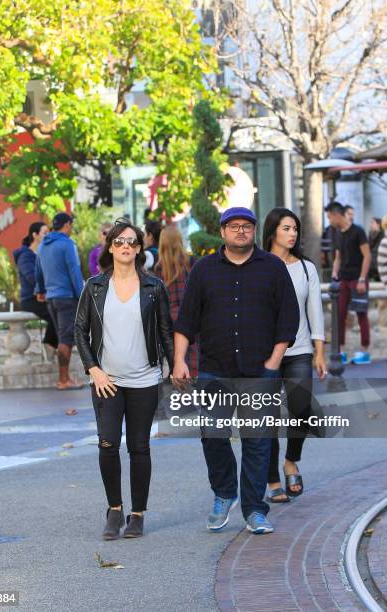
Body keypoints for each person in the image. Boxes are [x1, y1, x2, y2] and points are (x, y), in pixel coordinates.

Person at [173, 207, 300, 535]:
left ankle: (255, 510)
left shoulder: (272, 268)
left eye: (246, 226)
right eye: (234, 226)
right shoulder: (203, 270)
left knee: (257, 441)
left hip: (260, 370)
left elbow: (288, 318)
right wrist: (179, 360)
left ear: (254, 231)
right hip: (215, 370)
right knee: (212, 435)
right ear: (223, 231)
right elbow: (186, 320)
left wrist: (273, 362)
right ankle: (224, 492)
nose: (241, 231)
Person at [75, 219, 174, 540]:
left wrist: (175, 365)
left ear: (140, 248)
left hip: (144, 379)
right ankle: (114, 509)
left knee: (139, 446)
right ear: (111, 247)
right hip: (107, 380)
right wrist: (94, 369)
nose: (126, 247)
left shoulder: (154, 287)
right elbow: (79, 330)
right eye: (119, 242)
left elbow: (164, 331)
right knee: (107, 443)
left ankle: (138, 514)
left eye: (131, 242)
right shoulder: (94, 287)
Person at [262, 208, 327, 503]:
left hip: (300, 350)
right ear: (272, 231)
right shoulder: (257, 265)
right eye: (286, 228)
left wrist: (320, 352)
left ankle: (291, 460)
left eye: (295, 229)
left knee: (300, 408)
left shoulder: (306, 268)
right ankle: (272, 477)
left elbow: (315, 311)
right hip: (265, 354)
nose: (292, 234)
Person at [35, 212, 84, 390]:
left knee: (63, 338)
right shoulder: (68, 244)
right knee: (66, 339)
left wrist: (40, 290)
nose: (71, 228)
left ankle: (64, 378)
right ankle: (64, 380)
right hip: (66, 299)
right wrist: (81, 296)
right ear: (66, 225)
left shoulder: (42, 245)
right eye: (71, 225)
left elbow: (38, 270)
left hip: (51, 298)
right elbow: (74, 272)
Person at [325, 201, 371, 365]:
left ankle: (365, 352)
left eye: (329, 217)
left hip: (358, 279)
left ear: (337, 214)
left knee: (361, 314)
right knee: (339, 314)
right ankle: (341, 351)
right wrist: (334, 273)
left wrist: (362, 279)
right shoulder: (336, 233)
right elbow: (338, 257)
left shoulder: (358, 231)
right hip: (343, 279)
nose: (329, 220)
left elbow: (367, 255)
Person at [155, 225, 198, 377]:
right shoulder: (191, 262)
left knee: (175, 361)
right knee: (193, 357)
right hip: (190, 316)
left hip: (169, 321)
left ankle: (181, 392)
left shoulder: (159, 268)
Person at [13, 222, 58, 353]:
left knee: (63, 310)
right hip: (31, 299)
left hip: (46, 296)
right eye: (45, 233)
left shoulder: (44, 253)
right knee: (56, 313)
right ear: (35, 235)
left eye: (49, 232)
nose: (48, 235)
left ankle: (52, 345)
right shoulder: (25, 256)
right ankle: (49, 345)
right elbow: (32, 278)